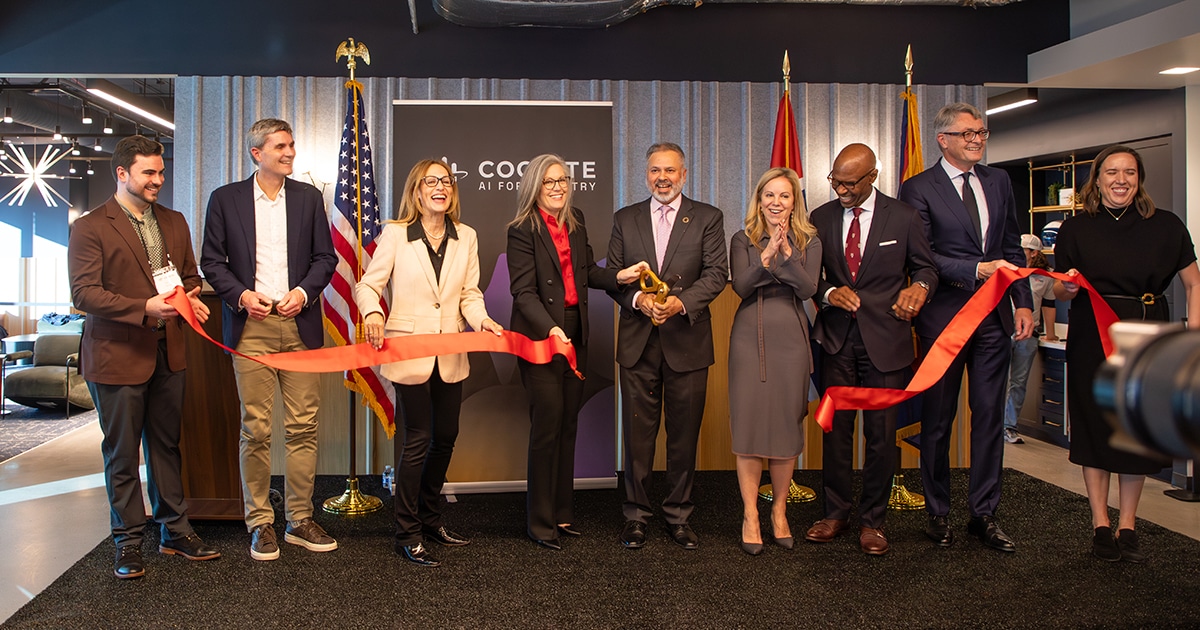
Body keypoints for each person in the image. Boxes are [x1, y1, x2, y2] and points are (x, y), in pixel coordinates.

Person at [68, 135, 221, 579]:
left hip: (169, 350)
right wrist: (145, 308)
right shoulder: (92, 226)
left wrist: (189, 298)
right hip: (117, 353)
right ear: (122, 174)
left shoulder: (173, 221)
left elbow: (189, 275)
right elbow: (84, 293)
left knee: (166, 446)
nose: (158, 180)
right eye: (148, 173)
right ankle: (128, 541)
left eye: (160, 172)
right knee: (121, 452)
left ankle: (174, 530)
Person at [1053, 144, 1200, 563]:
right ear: (1096, 180)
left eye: (1130, 173)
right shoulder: (1075, 229)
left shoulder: (1167, 226)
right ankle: (1100, 522)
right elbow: (1061, 289)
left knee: (1135, 431)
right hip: (1092, 335)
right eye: (1112, 173)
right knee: (1096, 426)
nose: (1121, 180)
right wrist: (1069, 287)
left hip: (1148, 332)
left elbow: (1194, 283)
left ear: (1140, 179)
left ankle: (1128, 523)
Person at [201, 118, 338, 561]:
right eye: (281, 146)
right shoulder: (225, 199)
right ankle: (260, 523)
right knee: (255, 429)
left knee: (303, 428)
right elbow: (212, 262)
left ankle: (300, 519)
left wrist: (303, 293)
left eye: (292, 145)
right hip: (252, 326)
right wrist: (241, 295)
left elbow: (325, 258)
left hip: (300, 324)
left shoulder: (308, 198)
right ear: (256, 153)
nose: (290, 152)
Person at [899, 102, 1033, 553]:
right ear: (943, 139)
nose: (978, 139)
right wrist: (973, 269)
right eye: (968, 133)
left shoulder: (998, 182)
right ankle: (937, 512)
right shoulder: (918, 188)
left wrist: (1023, 302)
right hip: (944, 320)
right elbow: (922, 256)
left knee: (990, 417)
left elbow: (1012, 247)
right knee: (937, 421)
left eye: (982, 132)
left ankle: (984, 513)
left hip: (995, 320)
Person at [357, 159, 505, 567]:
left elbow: (470, 294)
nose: (440, 187)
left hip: (452, 352)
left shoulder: (467, 236)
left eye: (446, 181)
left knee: (446, 437)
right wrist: (372, 314)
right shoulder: (396, 234)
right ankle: (407, 531)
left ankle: (430, 519)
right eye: (431, 181)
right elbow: (368, 284)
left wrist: (483, 320)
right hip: (408, 351)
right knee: (418, 439)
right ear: (417, 191)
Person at [507, 154, 649, 551]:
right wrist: (551, 329)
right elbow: (523, 292)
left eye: (562, 180)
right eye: (549, 181)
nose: (557, 187)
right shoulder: (521, 230)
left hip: (577, 332)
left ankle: (562, 512)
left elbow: (587, 272)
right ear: (535, 186)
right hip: (541, 337)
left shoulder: (576, 219)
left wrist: (620, 275)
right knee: (547, 426)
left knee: (569, 423)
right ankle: (539, 521)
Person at [807, 144, 937, 556]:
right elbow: (811, 276)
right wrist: (828, 292)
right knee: (836, 432)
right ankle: (835, 513)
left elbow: (926, 268)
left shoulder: (904, 216)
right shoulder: (820, 218)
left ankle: (873, 521)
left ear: (872, 177)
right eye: (836, 181)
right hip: (836, 341)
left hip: (887, 340)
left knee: (881, 437)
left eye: (850, 183)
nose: (841, 190)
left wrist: (920, 288)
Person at [606, 142, 728, 550]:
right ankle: (636, 516)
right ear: (646, 176)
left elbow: (716, 274)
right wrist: (639, 301)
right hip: (638, 344)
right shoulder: (626, 219)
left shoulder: (708, 217)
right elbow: (614, 278)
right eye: (655, 171)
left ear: (684, 174)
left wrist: (680, 303)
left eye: (670, 171)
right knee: (638, 437)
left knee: (683, 434)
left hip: (687, 341)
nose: (663, 178)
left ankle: (678, 516)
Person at [727, 167, 821, 556]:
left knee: (785, 428)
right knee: (749, 428)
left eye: (784, 196)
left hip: (790, 342)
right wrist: (766, 257)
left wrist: (785, 256)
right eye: (769, 195)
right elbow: (742, 287)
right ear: (759, 199)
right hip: (749, 340)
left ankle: (779, 512)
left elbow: (808, 288)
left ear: (794, 201)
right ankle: (751, 514)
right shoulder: (742, 238)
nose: (776, 203)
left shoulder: (809, 240)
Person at [1002, 234, 1060, 445]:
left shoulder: (1044, 276)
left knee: (1018, 382)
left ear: (1034, 253)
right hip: (1004, 330)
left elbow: (1049, 305)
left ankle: (1009, 426)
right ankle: (992, 424)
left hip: (1029, 334)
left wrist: (1050, 332)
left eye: (1023, 249)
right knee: (999, 380)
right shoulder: (1006, 269)